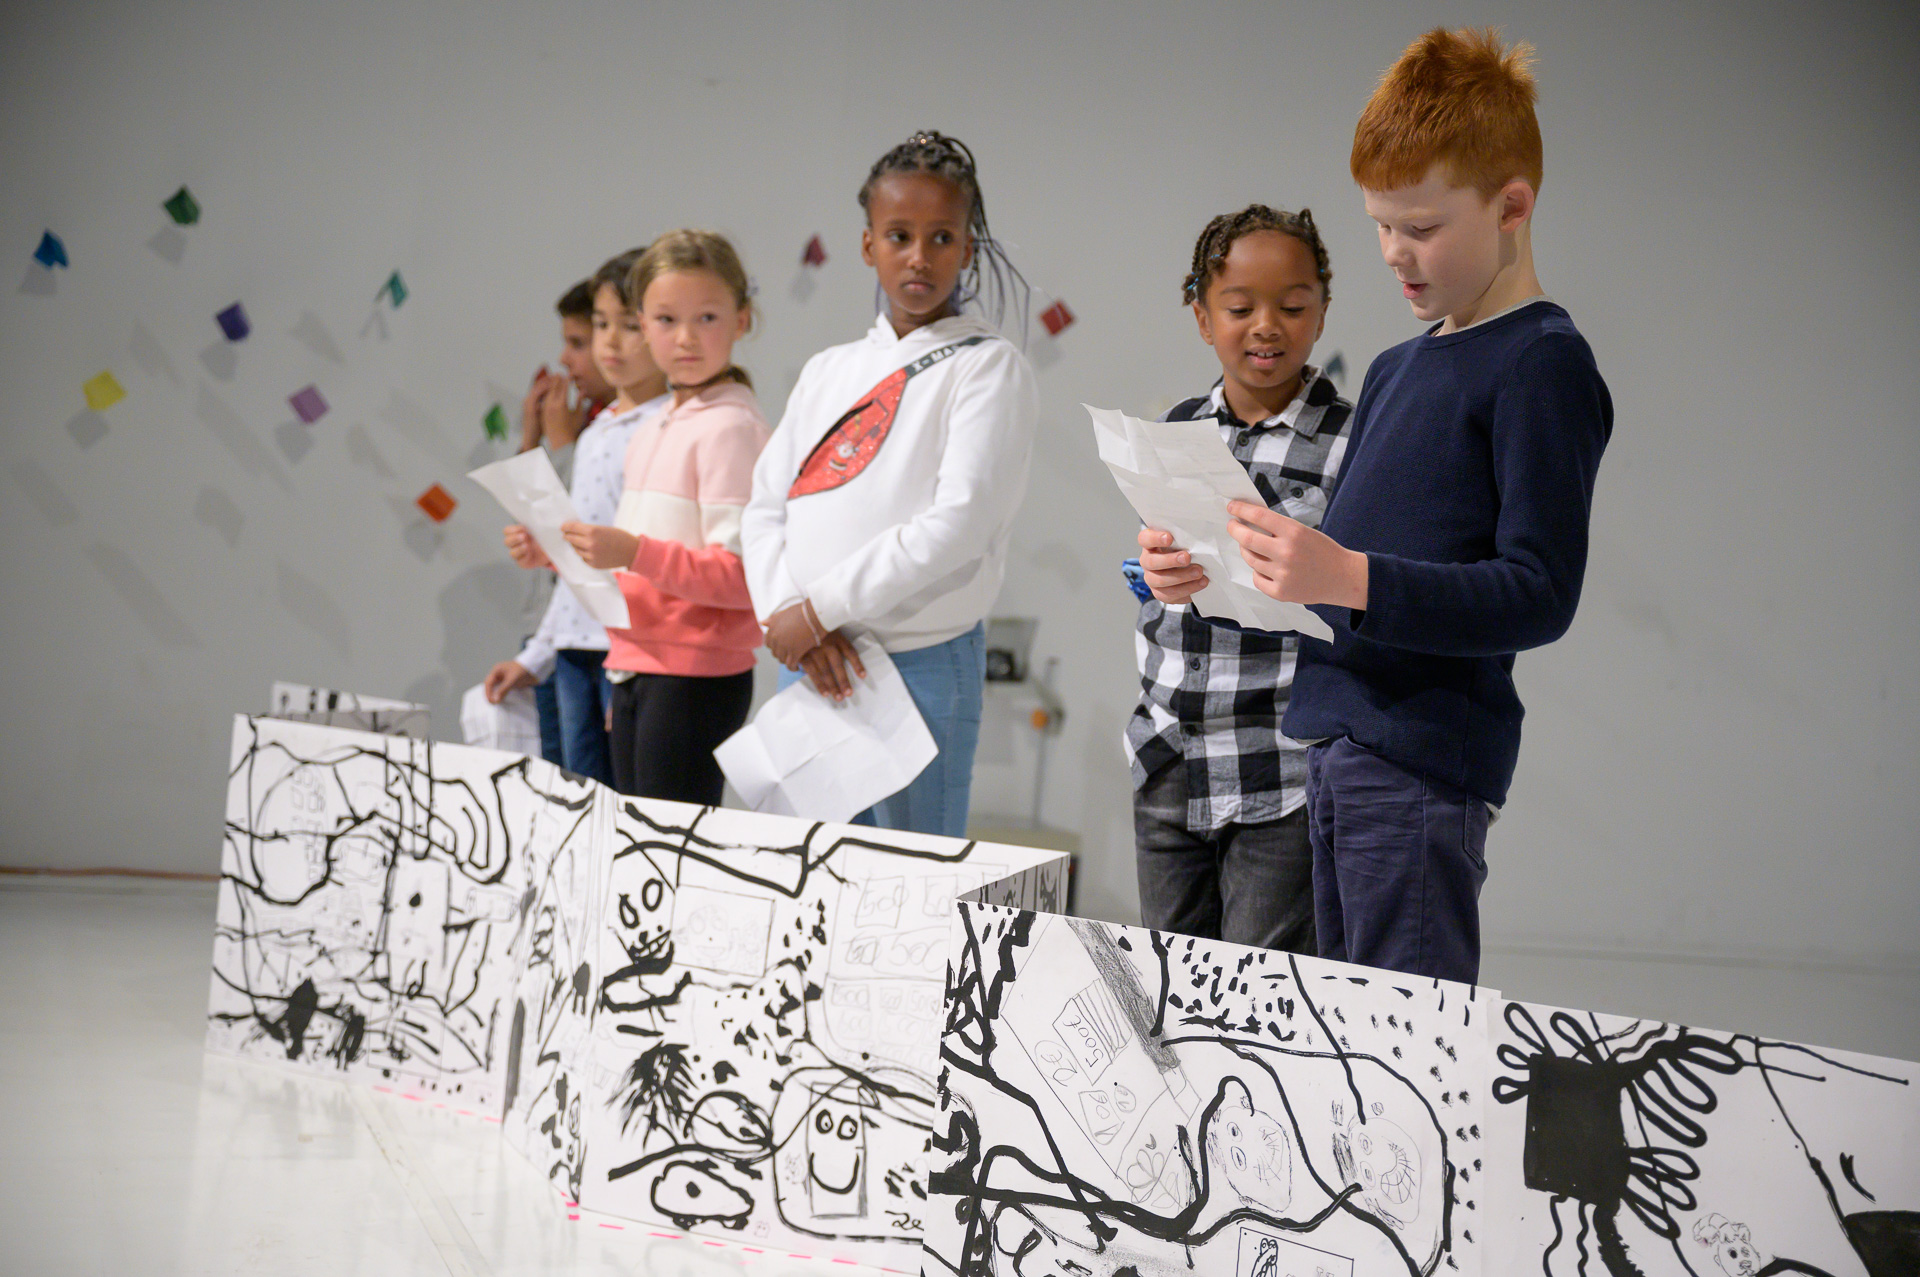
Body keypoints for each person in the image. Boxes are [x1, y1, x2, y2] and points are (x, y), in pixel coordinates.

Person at [1176, 28, 1612, 983]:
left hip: (1420, 767)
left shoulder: (1542, 363)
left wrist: (1350, 576)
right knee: (1341, 1045)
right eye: (1380, 226)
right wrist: (1211, 569)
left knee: (1403, 1052)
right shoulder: (1394, 367)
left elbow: (1540, 591)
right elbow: (1331, 582)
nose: (1393, 253)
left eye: (1420, 227)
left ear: (1511, 206)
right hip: (1333, 748)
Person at [740, 131, 1038, 838]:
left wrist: (819, 610)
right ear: (868, 244)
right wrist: (787, 614)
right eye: (899, 236)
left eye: (941, 237)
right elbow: (764, 507)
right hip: (808, 660)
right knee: (801, 874)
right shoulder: (828, 369)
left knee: (911, 884)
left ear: (968, 248)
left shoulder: (987, 366)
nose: (919, 256)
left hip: (920, 664)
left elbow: (958, 524)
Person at [1130, 206, 1352, 953]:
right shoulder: (1178, 427)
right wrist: (1153, 568)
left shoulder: (1352, 442)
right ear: (1202, 317)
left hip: (1279, 764)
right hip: (1170, 752)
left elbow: (1353, 590)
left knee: (1254, 995)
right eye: (1239, 308)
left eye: (1292, 306)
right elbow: (1163, 573)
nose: (1267, 326)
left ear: (1321, 311)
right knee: (1164, 984)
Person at [560, 231, 771, 804]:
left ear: (742, 320)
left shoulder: (731, 428)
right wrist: (563, 552)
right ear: (645, 324)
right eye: (666, 319)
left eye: (707, 317)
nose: (685, 338)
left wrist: (634, 553)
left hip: (695, 674)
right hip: (635, 664)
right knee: (638, 839)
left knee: (668, 845)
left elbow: (741, 577)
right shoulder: (653, 427)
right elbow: (638, 566)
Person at [483, 250, 667, 785]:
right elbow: (574, 565)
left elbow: (642, 554)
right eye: (600, 326)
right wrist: (537, 655)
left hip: (625, 650)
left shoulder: (664, 426)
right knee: (571, 793)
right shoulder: (596, 434)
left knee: (623, 793)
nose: (609, 343)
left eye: (627, 326)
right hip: (569, 647)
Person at [513, 279, 615, 766]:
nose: (565, 359)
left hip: (595, 637)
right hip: (551, 628)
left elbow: (571, 530)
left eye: (578, 343)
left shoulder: (607, 431)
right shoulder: (578, 422)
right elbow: (530, 530)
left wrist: (561, 448)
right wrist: (530, 443)